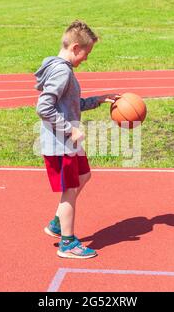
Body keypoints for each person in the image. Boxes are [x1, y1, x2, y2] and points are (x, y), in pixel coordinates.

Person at [35, 20, 119, 259]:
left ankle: (57, 224)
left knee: (84, 176)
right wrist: (69, 130)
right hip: (61, 143)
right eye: (86, 52)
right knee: (69, 191)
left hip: (67, 143)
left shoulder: (62, 69)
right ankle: (68, 244)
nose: (86, 58)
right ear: (74, 48)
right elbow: (44, 107)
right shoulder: (61, 71)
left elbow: (72, 105)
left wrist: (99, 99)